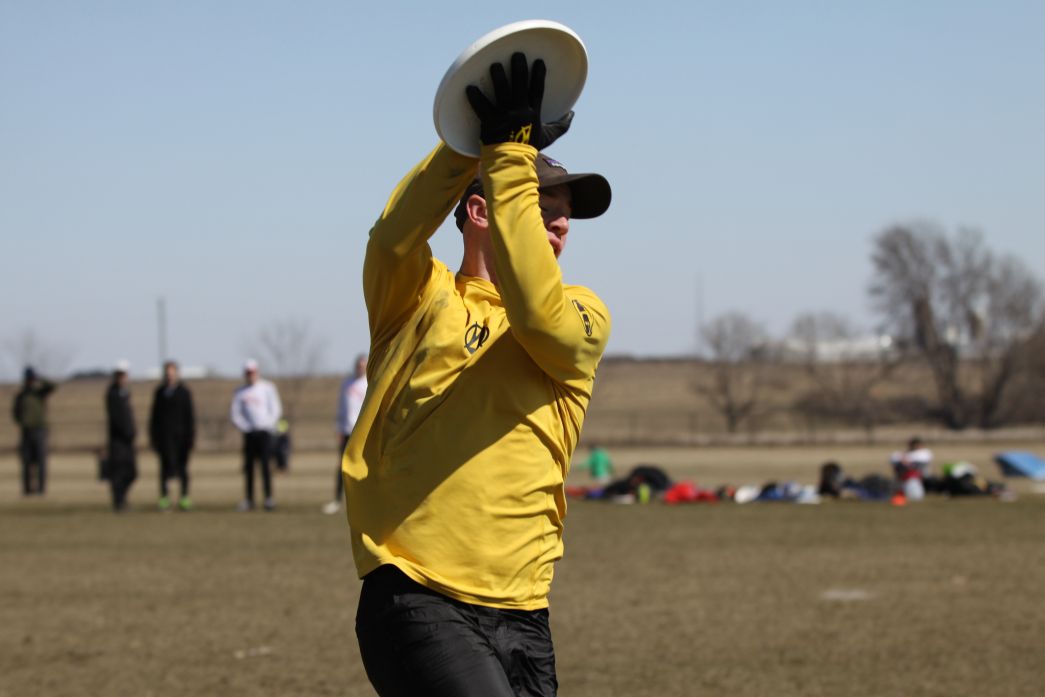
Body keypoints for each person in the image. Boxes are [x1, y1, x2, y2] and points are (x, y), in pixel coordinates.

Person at [345, 52, 611, 696]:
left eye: (565, 211)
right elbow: (393, 236)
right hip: (416, 594)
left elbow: (537, 314)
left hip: (527, 611)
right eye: (541, 202)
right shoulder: (420, 299)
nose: (562, 221)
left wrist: (508, 156)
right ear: (481, 210)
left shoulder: (584, 313)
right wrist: (471, 147)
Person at [229, 358, 282, 511]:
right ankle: (249, 499)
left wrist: (267, 424)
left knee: (265, 466)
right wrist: (246, 427)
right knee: (249, 467)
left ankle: (268, 498)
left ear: (257, 372)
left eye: (252, 372)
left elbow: (276, 409)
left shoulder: (268, 388)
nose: (250, 375)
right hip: (249, 434)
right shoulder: (240, 392)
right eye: (248, 373)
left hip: (265, 433)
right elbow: (235, 414)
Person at [322, 353, 367, 515]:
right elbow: (342, 408)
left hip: (362, 432)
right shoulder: (347, 384)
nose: (360, 368)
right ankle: (337, 500)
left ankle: (362, 500)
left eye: (363, 366)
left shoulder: (369, 383)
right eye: (358, 366)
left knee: (362, 466)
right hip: (347, 430)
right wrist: (339, 428)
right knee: (342, 465)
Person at [148, 360, 196, 511]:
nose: (170, 377)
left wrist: (190, 437)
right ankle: (164, 498)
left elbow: (190, 417)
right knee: (164, 469)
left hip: (181, 438)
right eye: (167, 374)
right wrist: (154, 437)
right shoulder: (160, 392)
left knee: (183, 469)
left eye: (172, 374)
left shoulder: (184, 392)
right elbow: (154, 417)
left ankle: (184, 498)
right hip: (164, 438)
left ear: (177, 374)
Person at [11, 366, 56, 496]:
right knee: (26, 461)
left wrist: (39, 378)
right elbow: (15, 413)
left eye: (31, 379)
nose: (30, 381)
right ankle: (27, 490)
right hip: (26, 431)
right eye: (29, 379)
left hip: (40, 430)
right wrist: (22, 422)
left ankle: (41, 489)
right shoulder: (21, 395)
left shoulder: (39, 393)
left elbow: (53, 386)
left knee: (41, 460)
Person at [105, 360, 138, 512]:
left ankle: (122, 498)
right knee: (118, 472)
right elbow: (118, 417)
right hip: (117, 440)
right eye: (119, 375)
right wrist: (127, 431)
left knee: (132, 472)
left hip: (128, 440)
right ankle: (119, 502)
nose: (122, 378)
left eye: (124, 375)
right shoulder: (112, 393)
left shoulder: (125, 393)